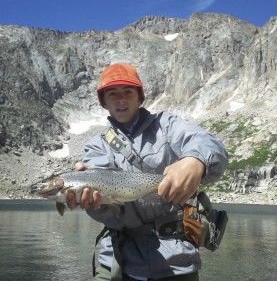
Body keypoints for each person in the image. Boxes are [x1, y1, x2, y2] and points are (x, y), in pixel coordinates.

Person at [67, 63, 228, 280]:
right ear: (104, 102)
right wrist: (96, 205)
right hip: (116, 262)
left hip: (177, 262)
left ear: (140, 97)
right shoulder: (97, 145)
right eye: (112, 93)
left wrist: (195, 160)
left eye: (128, 92)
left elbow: (209, 144)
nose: (120, 98)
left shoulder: (168, 125)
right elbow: (108, 214)